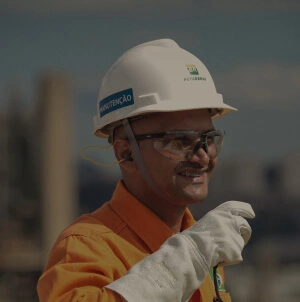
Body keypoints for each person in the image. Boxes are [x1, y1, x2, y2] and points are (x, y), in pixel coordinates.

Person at [37, 39, 255, 302]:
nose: (202, 155)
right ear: (125, 153)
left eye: (209, 138)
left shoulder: (199, 242)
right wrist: (175, 267)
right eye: (179, 141)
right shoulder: (87, 246)